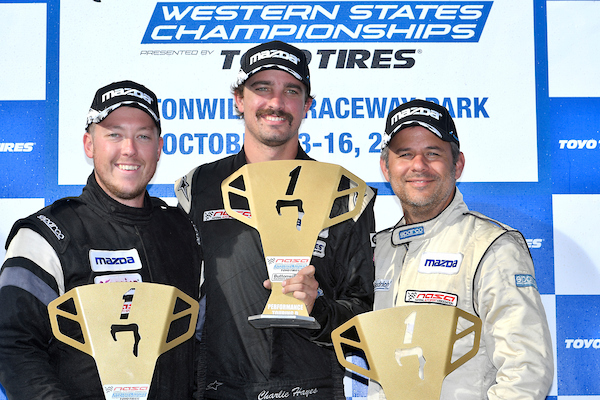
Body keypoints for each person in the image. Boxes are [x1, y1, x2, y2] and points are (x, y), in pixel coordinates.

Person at [176, 40, 376, 399]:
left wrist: (319, 307)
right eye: (262, 88)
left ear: (307, 105)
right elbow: (179, 299)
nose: (276, 103)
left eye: (291, 91)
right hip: (220, 388)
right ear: (238, 99)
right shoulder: (198, 188)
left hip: (314, 388)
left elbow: (363, 311)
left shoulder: (343, 192)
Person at [0, 80, 201, 399]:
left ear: (159, 147)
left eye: (143, 136)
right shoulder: (48, 233)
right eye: (114, 134)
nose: (130, 149)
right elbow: (12, 344)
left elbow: (202, 341)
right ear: (89, 145)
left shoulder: (184, 232)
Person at [369, 99, 553, 399]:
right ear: (385, 168)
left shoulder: (492, 246)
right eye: (405, 154)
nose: (418, 165)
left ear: (458, 164)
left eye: (433, 153)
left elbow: (526, 371)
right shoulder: (379, 250)